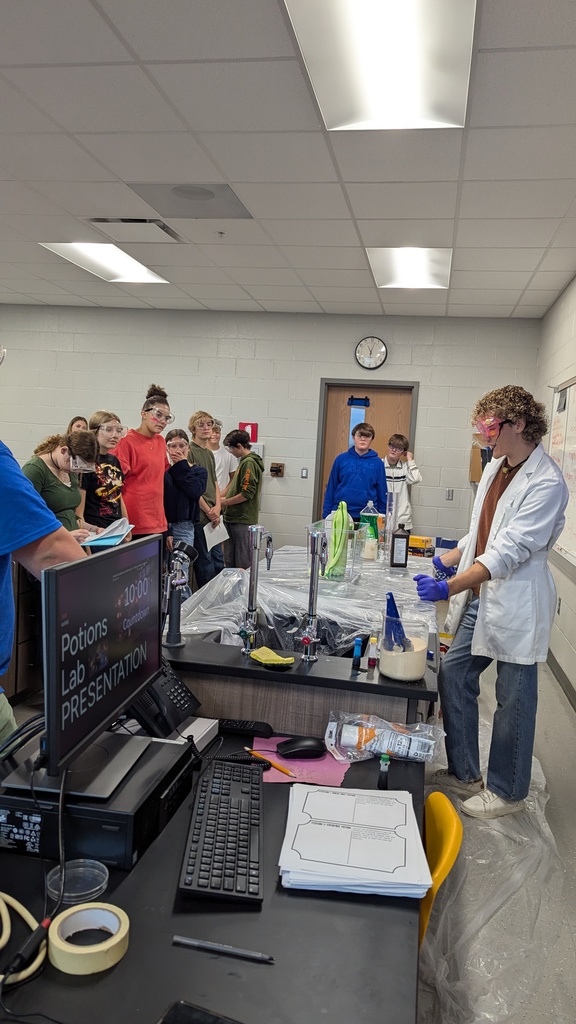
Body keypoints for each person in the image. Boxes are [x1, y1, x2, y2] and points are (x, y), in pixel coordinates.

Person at [414, 385, 569, 820]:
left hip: (518, 602)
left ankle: (507, 790)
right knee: (454, 672)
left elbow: (508, 551)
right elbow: (483, 531)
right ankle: (465, 773)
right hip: (483, 595)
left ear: (518, 424)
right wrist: (443, 560)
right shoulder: (497, 467)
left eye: (489, 428)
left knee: (513, 696)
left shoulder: (547, 483)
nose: (483, 437)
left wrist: (449, 587)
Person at [114, 384, 172, 540]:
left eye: (167, 418)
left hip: (157, 520)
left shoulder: (161, 441)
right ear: (143, 414)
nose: (162, 421)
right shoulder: (127, 441)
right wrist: (122, 522)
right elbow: (115, 485)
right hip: (134, 521)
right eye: (158, 415)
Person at [22, 431, 97, 543]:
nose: (77, 471)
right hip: (50, 545)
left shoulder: (68, 469)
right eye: (75, 465)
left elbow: (69, 516)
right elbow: (25, 517)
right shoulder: (34, 470)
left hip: (73, 543)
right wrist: (65, 536)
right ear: (64, 450)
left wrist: (95, 530)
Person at [164, 429, 208, 597]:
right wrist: (167, 531)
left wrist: (181, 465)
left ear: (188, 448)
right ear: (167, 449)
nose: (177, 450)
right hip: (163, 525)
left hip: (184, 526)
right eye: (172, 446)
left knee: (179, 574)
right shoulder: (164, 473)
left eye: (181, 445)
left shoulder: (198, 472)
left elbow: (194, 491)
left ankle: (181, 609)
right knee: (164, 575)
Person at [77, 410, 131, 540]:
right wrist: (86, 540)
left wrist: (126, 526)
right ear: (95, 431)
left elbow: (118, 496)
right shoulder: (86, 462)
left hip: (116, 530)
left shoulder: (114, 460)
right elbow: (79, 510)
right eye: (109, 430)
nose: (115, 435)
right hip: (96, 533)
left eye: (118, 430)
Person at [322, 422, 387, 520]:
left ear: (372, 439)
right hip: (340, 513)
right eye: (360, 435)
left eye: (367, 436)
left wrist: (382, 517)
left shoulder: (378, 463)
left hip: (368, 515)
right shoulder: (341, 459)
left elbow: (382, 492)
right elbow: (331, 487)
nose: (363, 439)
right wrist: (326, 515)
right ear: (353, 437)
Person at [188, 410, 224, 586]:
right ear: (193, 428)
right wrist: (208, 510)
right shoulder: (190, 451)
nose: (206, 428)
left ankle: (219, 597)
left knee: (218, 561)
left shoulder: (209, 453)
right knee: (205, 563)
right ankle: (207, 600)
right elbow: (192, 487)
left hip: (213, 515)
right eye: (201, 425)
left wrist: (218, 507)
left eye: (209, 424)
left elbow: (215, 482)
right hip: (201, 515)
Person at [221, 429, 265, 569]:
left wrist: (225, 502)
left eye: (231, 448)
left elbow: (247, 493)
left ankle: (244, 584)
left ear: (239, 446)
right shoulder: (243, 462)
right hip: (233, 518)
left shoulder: (249, 463)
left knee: (242, 561)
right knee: (230, 560)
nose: (231, 452)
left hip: (242, 519)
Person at [383, 433, 422, 532]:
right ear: (388, 446)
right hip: (383, 518)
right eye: (392, 445)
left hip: (402, 520)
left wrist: (410, 460)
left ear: (403, 452)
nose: (394, 450)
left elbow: (416, 479)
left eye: (399, 448)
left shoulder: (405, 467)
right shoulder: (379, 465)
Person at [208, 419, 237, 496]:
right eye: (212, 432)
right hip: (203, 497)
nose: (214, 435)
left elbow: (234, 478)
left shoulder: (229, 454)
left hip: (222, 497)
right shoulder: (200, 453)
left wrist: (222, 494)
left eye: (217, 432)